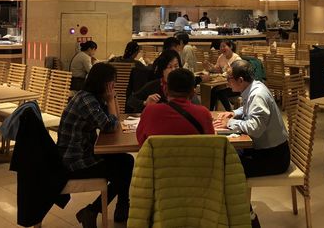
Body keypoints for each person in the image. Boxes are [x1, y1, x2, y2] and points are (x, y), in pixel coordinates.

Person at [57, 63, 134, 226]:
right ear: (102, 83)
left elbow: (116, 118)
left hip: (84, 152)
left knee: (126, 161)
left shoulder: (92, 97)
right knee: (123, 171)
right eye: (112, 82)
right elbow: (110, 126)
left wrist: (113, 97)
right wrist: (111, 99)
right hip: (75, 161)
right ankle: (96, 210)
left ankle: (117, 207)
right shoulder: (86, 100)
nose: (113, 85)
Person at [214, 60, 289, 226]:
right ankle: (238, 213)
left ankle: (247, 218)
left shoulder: (257, 95)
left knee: (229, 170)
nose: (227, 82)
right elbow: (248, 108)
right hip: (268, 150)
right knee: (228, 158)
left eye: (229, 78)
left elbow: (255, 128)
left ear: (240, 80)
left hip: (274, 157)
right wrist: (233, 113)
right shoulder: (254, 87)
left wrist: (230, 123)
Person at [136, 68, 214, 146]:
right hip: (193, 154)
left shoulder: (150, 111)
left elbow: (141, 142)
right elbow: (210, 144)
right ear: (193, 92)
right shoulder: (203, 113)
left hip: (160, 154)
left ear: (165, 89)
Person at [205, 39, 242, 111]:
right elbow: (217, 69)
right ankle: (210, 112)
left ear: (230, 47)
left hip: (235, 87)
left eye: (224, 46)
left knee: (219, 92)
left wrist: (224, 73)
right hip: (224, 85)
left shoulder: (237, 59)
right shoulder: (221, 57)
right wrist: (211, 68)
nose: (222, 48)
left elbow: (236, 75)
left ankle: (229, 112)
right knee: (213, 91)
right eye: (220, 47)